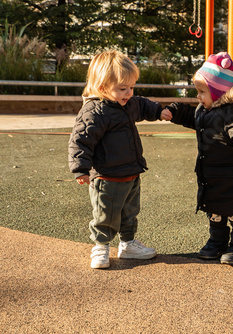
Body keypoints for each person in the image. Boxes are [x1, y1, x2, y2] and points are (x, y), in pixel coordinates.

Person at [161, 52, 233, 265]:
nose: (198, 97)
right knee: (215, 213)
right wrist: (175, 111)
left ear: (218, 92)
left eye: (202, 92)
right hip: (212, 176)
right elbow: (191, 117)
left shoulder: (232, 113)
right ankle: (217, 242)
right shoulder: (203, 111)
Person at [68, 50, 162, 269]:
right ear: (102, 88)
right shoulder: (95, 111)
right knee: (105, 214)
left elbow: (143, 105)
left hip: (131, 172)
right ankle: (101, 246)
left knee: (130, 211)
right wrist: (80, 168)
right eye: (122, 88)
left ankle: (127, 243)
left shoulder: (127, 104)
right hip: (106, 176)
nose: (128, 93)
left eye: (131, 87)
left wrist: (159, 111)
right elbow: (80, 140)